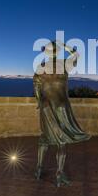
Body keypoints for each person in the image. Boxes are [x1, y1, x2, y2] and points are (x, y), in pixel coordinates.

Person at [33, 40, 90, 187]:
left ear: (45, 53)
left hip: (46, 107)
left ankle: (39, 169)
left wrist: (41, 103)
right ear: (57, 52)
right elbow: (77, 54)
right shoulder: (64, 64)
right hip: (61, 106)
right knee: (62, 141)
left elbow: (37, 92)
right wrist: (65, 46)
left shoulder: (40, 68)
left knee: (45, 138)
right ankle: (59, 174)